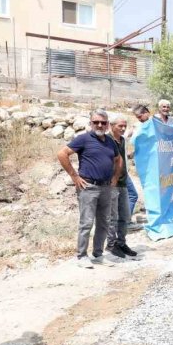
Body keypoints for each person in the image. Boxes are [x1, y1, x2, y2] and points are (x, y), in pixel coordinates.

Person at [57, 110, 122, 268]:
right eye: (96, 122)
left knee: (104, 222)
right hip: (88, 187)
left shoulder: (110, 141)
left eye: (103, 122)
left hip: (106, 187)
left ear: (107, 125)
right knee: (86, 222)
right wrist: (74, 176)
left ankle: (98, 255)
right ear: (90, 123)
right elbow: (62, 154)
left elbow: (118, 159)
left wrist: (115, 178)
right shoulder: (83, 139)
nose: (100, 125)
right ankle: (81, 256)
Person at [105, 116, 137, 259]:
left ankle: (121, 242)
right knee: (113, 217)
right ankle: (111, 245)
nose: (123, 128)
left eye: (125, 126)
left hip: (123, 181)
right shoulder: (107, 140)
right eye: (120, 126)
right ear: (111, 126)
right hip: (111, 183)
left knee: (124, 215)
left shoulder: (122, 140)